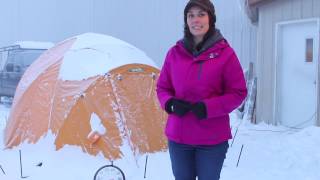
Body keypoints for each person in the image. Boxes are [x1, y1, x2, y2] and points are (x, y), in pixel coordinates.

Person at [156, 0, 248, 179]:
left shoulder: (226, 54)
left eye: (201, 14)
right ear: (186, 21)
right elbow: (162, 87)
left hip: (211, 140)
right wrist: (171, 103)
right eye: (191, 15)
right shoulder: (174, 53)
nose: (195, 20)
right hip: (179, 138)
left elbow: (238, 93)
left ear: (211, 19)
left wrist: (208, 108)